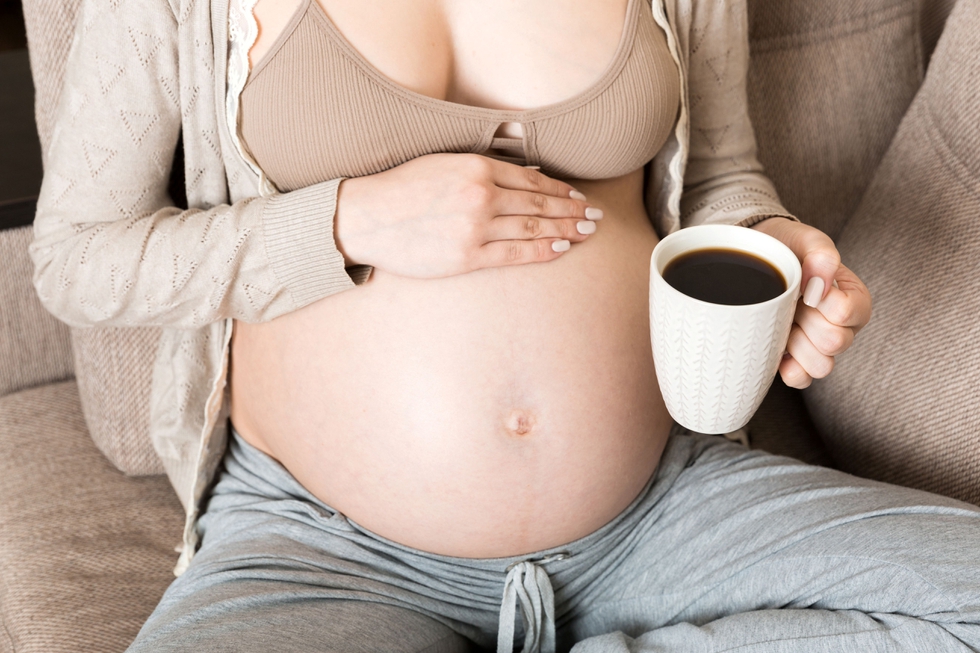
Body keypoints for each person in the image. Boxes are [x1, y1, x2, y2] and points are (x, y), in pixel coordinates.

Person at [29, 0, 980, 649]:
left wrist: (778, 250)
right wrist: (345, 221)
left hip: (663, 509)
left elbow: (722, 177)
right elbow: (75, 258)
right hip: (322, 550)